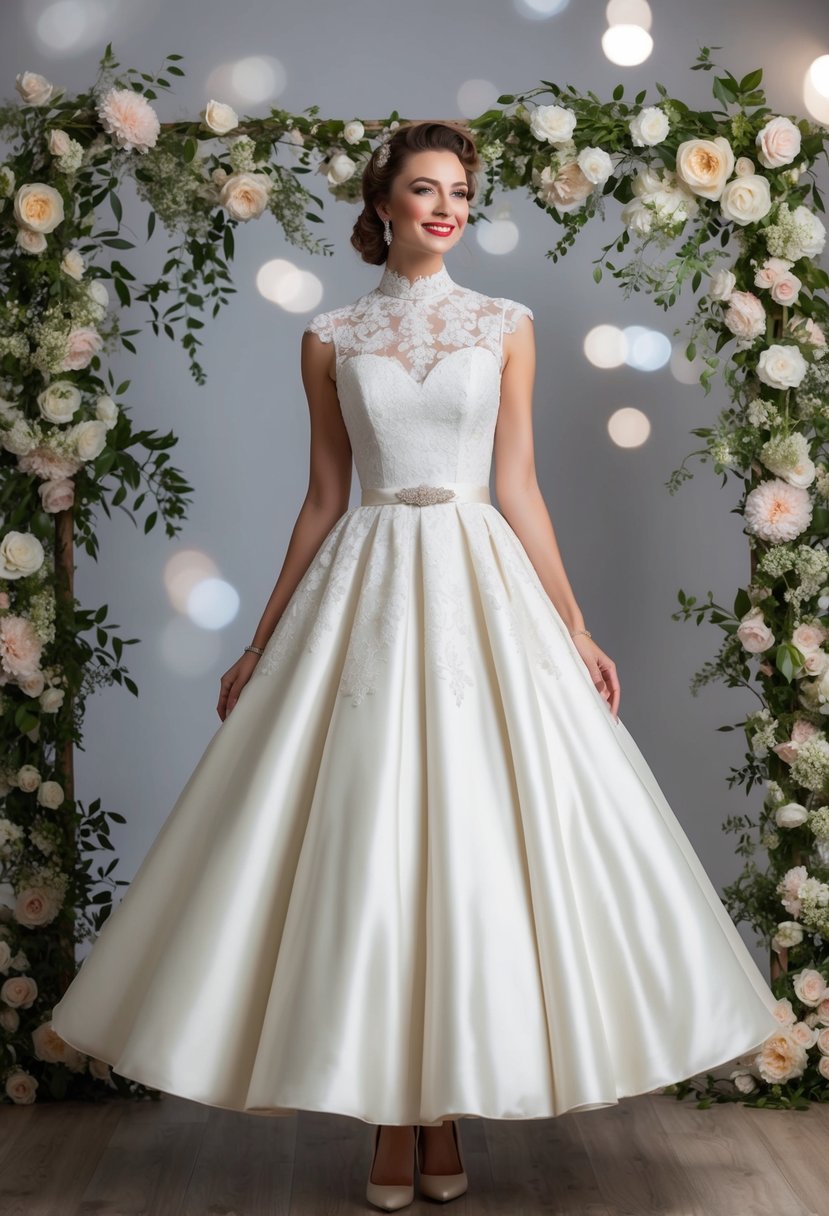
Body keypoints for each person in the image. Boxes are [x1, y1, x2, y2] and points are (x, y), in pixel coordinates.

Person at [50, 119, 782, 1213]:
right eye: (423, 189)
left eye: (458, 191)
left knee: (475, 837)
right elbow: (321, 499)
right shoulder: (329, 336)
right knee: (375, 841)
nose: (445, 206)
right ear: (382, 203)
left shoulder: (506, 325)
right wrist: (260, 640)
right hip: (370, 586)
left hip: (482, 584)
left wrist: (574, 625)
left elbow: (520, 484)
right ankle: (400, 1117)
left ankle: (435, 1108)